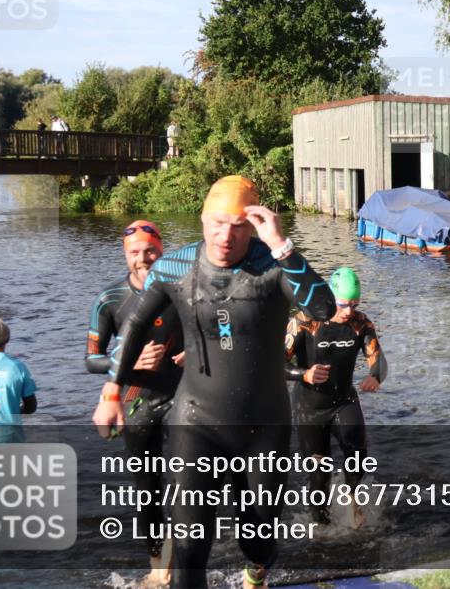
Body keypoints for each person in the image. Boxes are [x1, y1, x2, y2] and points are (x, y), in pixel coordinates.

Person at [92, 175, 336, 589]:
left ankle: (256, 573)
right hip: (196, 420)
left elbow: (324, 307)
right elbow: (133, 324)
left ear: (255, 226)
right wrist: (112, 391)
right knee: (189, 546)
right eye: (218, 223)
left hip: (264, 427)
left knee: (256, 539)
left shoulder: (273, 265)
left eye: (239, 226)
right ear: (203, 220)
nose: (226, 236)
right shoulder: (175, 265)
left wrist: (281, 244)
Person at [87, 219, 184, 585]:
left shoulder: (182, 291)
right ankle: (157, 568)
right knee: (148, 492)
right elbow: (90, 359)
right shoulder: (111, 299)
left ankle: (173, 569)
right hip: (137, 403)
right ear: (124, 254)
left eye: (150, 251)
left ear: (163, 250)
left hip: (184, 397)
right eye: (134, 253)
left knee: (185, 483)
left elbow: (215, 331)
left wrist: (194, 351)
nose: (143, 258)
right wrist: (125, 361)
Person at [284, 266, 387, 528]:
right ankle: (322, 528)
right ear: (330, 298)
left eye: (354, 303)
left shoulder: (361, 324)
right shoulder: (304, 321)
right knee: (319, 472)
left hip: (343, 401)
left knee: (358, 456)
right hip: (310, 408)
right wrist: (304, 373)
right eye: (343, 304)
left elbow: (378, 359)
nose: (349, 311)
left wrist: (375, 376)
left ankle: (352, 499)